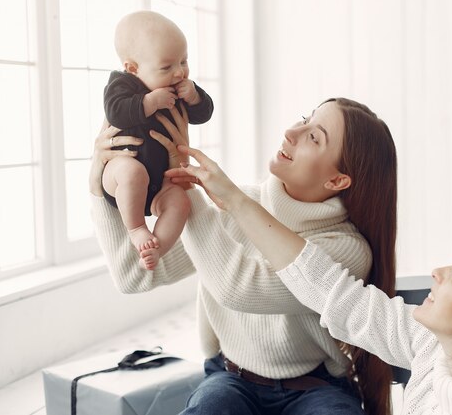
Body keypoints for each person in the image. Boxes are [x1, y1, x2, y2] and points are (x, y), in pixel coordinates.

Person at [166, 147, 452, 415]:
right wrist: (234, 200)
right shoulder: (430, 349)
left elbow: (241, 285)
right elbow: (332, 291)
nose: (439, 271)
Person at [90, 98, 398, 414]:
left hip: (315, 389)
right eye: (304, 119)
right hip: (230, 378)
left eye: (314, 137)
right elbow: (134, 275)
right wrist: (100, 188)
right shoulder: (233, 204)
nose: (292, 131)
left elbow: (240, 288)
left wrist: (188, 191)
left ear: (336, 180)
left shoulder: (347, 249)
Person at [102, 10, 214, 270]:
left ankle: (156, 249)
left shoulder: (181, 86)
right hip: (120, 174)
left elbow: (203, 114)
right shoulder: (122, 85)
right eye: (167, 67)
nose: (179, 73)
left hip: (160, 183)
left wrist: (195, 97)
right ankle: (137, 228)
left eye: (184, 61)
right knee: (133, 172)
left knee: (180, 202)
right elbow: (115, 111)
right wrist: (148, 102)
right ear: (133, 68)